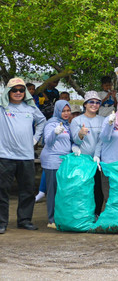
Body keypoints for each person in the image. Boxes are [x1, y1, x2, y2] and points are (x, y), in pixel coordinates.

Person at [0, 78, 46, 233]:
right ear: (8, 92)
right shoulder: (2, 107)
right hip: (5, 156)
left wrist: (35, 139)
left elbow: (42, 121)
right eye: (14, 90)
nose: (18, 93)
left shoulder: (30, 108)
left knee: (27, 190)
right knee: (2, 190)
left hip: (26, 156)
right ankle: (1, 222)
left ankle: (24, 220)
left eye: (21, 90)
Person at [70, 91, 104, 217]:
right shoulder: (76, 120)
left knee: (97, 188)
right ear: (85, 104)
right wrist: (80, 134)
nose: (94, 105)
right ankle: (82, 214)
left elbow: (102, 140)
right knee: (82, 188)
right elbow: (75, 140)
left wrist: (97, 155)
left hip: (96, 161)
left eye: (97, 102)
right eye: (91, 102)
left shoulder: (103, 120)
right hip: (81, 160)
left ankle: (96, 213)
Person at [41, 100, 73, 228]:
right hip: (52, 161)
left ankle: (60, 217)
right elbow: (48, 142)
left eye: (68, 111)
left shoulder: (67, 124)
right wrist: (55, 133)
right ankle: (51, 219)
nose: (66, 113)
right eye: (63, 111)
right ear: (58, 111)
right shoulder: (51, 124)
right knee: (53, 191)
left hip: (64, 161)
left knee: (62, 191)